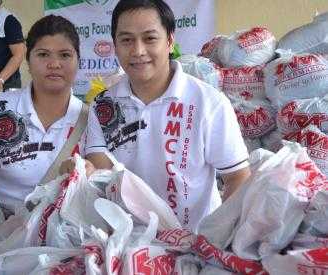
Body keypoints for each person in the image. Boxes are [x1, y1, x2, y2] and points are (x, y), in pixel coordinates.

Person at [85, 0, 251, 231]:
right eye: (126, 40)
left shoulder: (208, 103)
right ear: (115, 45)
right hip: (126, 243)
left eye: (150, 38)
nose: (138, 51)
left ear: (170, 41)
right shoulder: (102, 105)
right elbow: (101, 172)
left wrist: (216, 236)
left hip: (193, 242)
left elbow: (237, 177)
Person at [0, 15, 89, 213]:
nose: (54, 64)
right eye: (43, 54)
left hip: (66, 236)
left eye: (65, 55)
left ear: (78, 60)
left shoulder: (90, 120)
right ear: (28, 60)